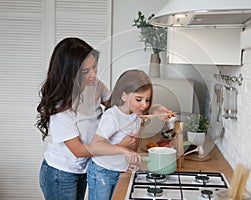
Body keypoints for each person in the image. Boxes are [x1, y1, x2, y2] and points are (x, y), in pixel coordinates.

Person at [36, 37, 173, 200]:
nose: (94, 74)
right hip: (61, 173)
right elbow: (79, 151)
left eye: (94, 66)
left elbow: (120, 106)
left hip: (84, 168)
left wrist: (150, 109)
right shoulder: (60, 108)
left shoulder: (94, 85)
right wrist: (120, 147)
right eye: (86, 71)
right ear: (70, 74)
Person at [85, 69, 170, 200]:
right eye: (139, 99)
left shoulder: (136, 113)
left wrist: (155, 110)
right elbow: (94, 147)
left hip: (122, 170)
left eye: (147, 100)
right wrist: (124, 150)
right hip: (102, 172)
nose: (144, 105)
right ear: (124, 96)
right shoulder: (112, 116)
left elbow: (144, 113)